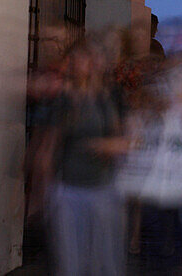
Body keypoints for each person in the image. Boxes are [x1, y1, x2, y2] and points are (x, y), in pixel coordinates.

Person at [44, 41, 126, 276]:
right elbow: (51, 141)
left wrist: (109, 145)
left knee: (103, 259)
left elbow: (122, 135)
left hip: (102, 186)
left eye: (85, 60)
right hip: (69, 186)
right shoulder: (64, 98)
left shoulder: (107, 96)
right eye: (75, 60)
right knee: (71, 260)